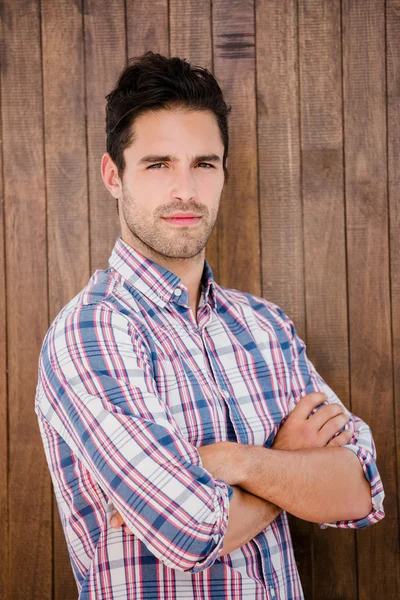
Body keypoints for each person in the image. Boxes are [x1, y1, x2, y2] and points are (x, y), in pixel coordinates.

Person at [35, 51, 384, 600]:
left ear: (223, 172)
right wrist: (291, 468)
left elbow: (361, 489)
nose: (186, 191)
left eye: (204, 163)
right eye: (158, 164)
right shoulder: (93, 332)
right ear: (113, 175)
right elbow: (190, 533)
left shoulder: (265, 327)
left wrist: (233, 462)